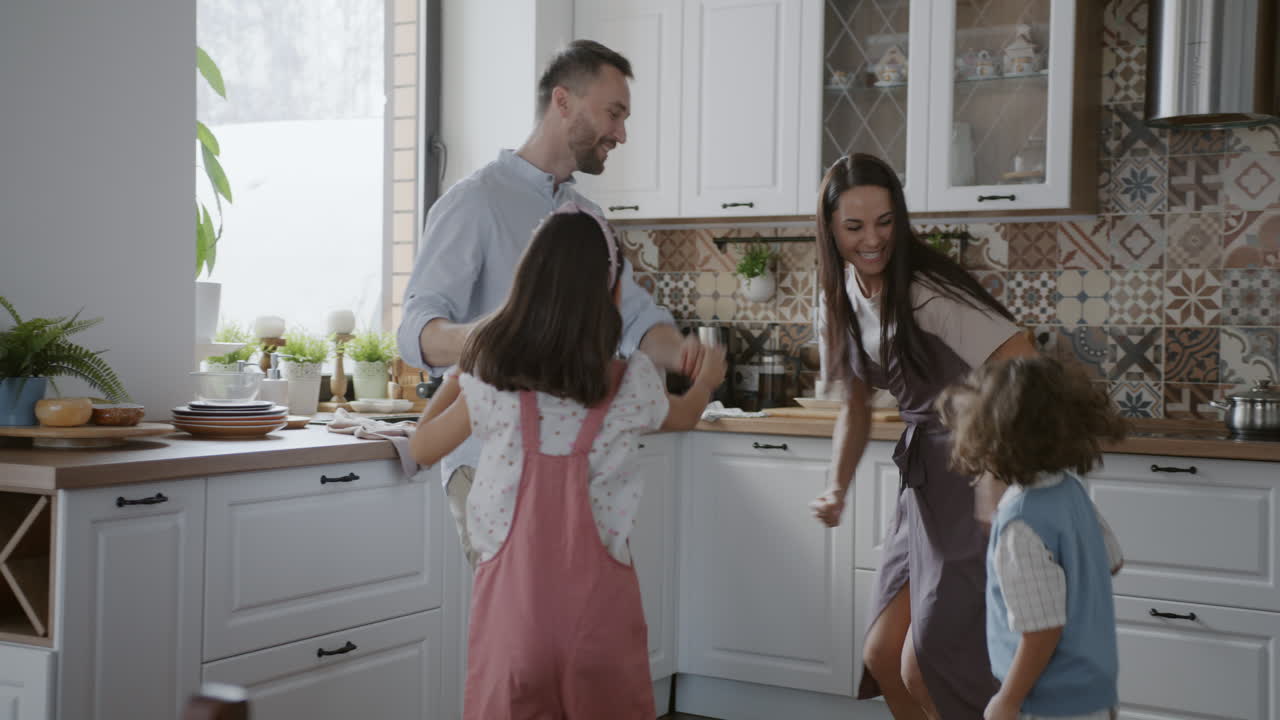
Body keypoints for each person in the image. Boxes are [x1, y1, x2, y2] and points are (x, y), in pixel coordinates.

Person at [409, 204, 727, 719]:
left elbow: (422, 447)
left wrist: (459, 374)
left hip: (515, 631)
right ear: (612, 296)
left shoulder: (494, 384)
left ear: (526, 286)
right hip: (599, 630)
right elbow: (686, 415)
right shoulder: (631, 385)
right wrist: (707, 377)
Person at [396, 40, 703, 567]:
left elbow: (635, 316)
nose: (621, 133)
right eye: (614, 112)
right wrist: (504, 340)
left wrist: (682, 353)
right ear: (563, 101)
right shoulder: (476, 201)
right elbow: (416, 331)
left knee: (576, 625)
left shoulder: (587, 217)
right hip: (490, 468)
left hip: (574, 466)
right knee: (518, 629)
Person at [808, 153, 1038, 719]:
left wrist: (996, 469)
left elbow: (1023, 358)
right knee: (885, 655)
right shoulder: (839, 297)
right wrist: (837, 487)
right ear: (830, 229)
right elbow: (857, 404)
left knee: (934, 660)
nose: (873, 240)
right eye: (854, 226)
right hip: (922, 484)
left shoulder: (925, 290)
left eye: (885, 222)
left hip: (975, 473)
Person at [937, 355, 1126, 720]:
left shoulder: (1020, 522)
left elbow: (1042, 630)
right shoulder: (1071, 491)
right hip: (1094, 691)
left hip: (1048, 700)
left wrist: (1008, 699)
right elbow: (1112, 562)